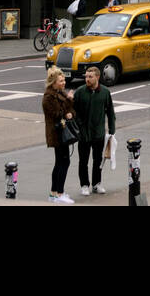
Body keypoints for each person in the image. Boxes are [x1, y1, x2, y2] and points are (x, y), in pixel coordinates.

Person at [73, 65, 116, 194]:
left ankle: (97, 184)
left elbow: (110, 111)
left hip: (98, 133)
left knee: (98, 160)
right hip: (84, 134)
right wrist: (79, 126)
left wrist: (112, 130)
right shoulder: (80, 92)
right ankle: (84, 185)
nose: (87, 79)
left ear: (97, 77)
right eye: (86, 76)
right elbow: (74, 111)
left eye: (90, 77)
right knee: (83, 161)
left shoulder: (104, 92)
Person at [42, 67, 76, 204]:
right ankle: (59, 193)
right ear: (53, 83)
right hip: (57, 134)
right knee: (63, 162)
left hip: (62, 133)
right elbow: (56, 114)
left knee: (60, 162)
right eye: (61, 81)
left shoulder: (59, 93)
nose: (64, 83)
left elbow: (69, 110)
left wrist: (69, 110)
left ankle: (54, 193)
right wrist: (68, 101)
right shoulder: (48, 98)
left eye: (64, 80)